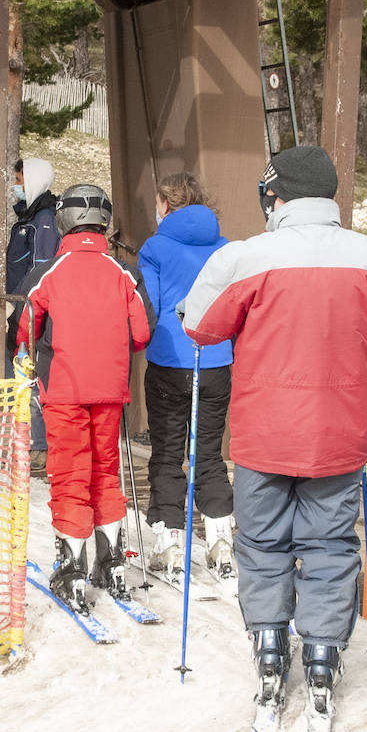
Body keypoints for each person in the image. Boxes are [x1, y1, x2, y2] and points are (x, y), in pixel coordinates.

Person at [180, 145, 367, 715]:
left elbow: (198, 326)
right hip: (339, 438)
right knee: (332, 546)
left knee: (262, 541)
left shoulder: (245, 258)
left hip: (264, 437)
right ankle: (321, 654)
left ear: (275, 195)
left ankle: (268, 646)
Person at [16, 184, 155, 613]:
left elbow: (24, 330)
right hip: (110, 392)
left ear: (63, 222)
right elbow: (141, 334)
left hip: (64, 390)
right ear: (104, 221)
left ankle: (73, 569)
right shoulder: (123, 272)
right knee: (105, 472)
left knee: (70, 474)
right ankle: (111, 563)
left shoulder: (48, 272)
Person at [137, 172, 235, 580]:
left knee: (166, 454)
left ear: (166, 204)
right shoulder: (227, 248)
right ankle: (221, 542)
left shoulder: (155, 247)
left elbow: (151, 308)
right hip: (214, 363)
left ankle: (170, 545)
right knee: (209, 454)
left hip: (169, 363)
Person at [5, 158, 60, 477]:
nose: (16, 185)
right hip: (19, 306)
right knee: (20, 374)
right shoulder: (27, 217)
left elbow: (41, 268)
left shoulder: (44, 220)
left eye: (20, 179)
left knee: (33, 376)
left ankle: (39, 445)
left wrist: (27, 307)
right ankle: (27, 436)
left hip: (32, 310)